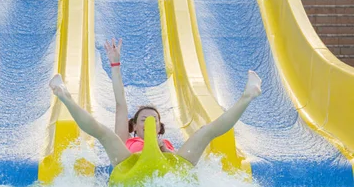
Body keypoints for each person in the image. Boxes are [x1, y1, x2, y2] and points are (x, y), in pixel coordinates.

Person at [49, 37, 262, 169]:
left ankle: (248, 96)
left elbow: (176, 163)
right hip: (129, 166)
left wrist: (163, 150)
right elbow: (121, 104)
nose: (149, 122)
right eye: (143, 119)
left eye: (153, 120)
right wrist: (115, 64)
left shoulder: (167, 145)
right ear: (134, 126)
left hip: (168, 170)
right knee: (104, 133)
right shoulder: (126, 142)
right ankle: (65, 96)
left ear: (160, 127)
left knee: (206, 131)